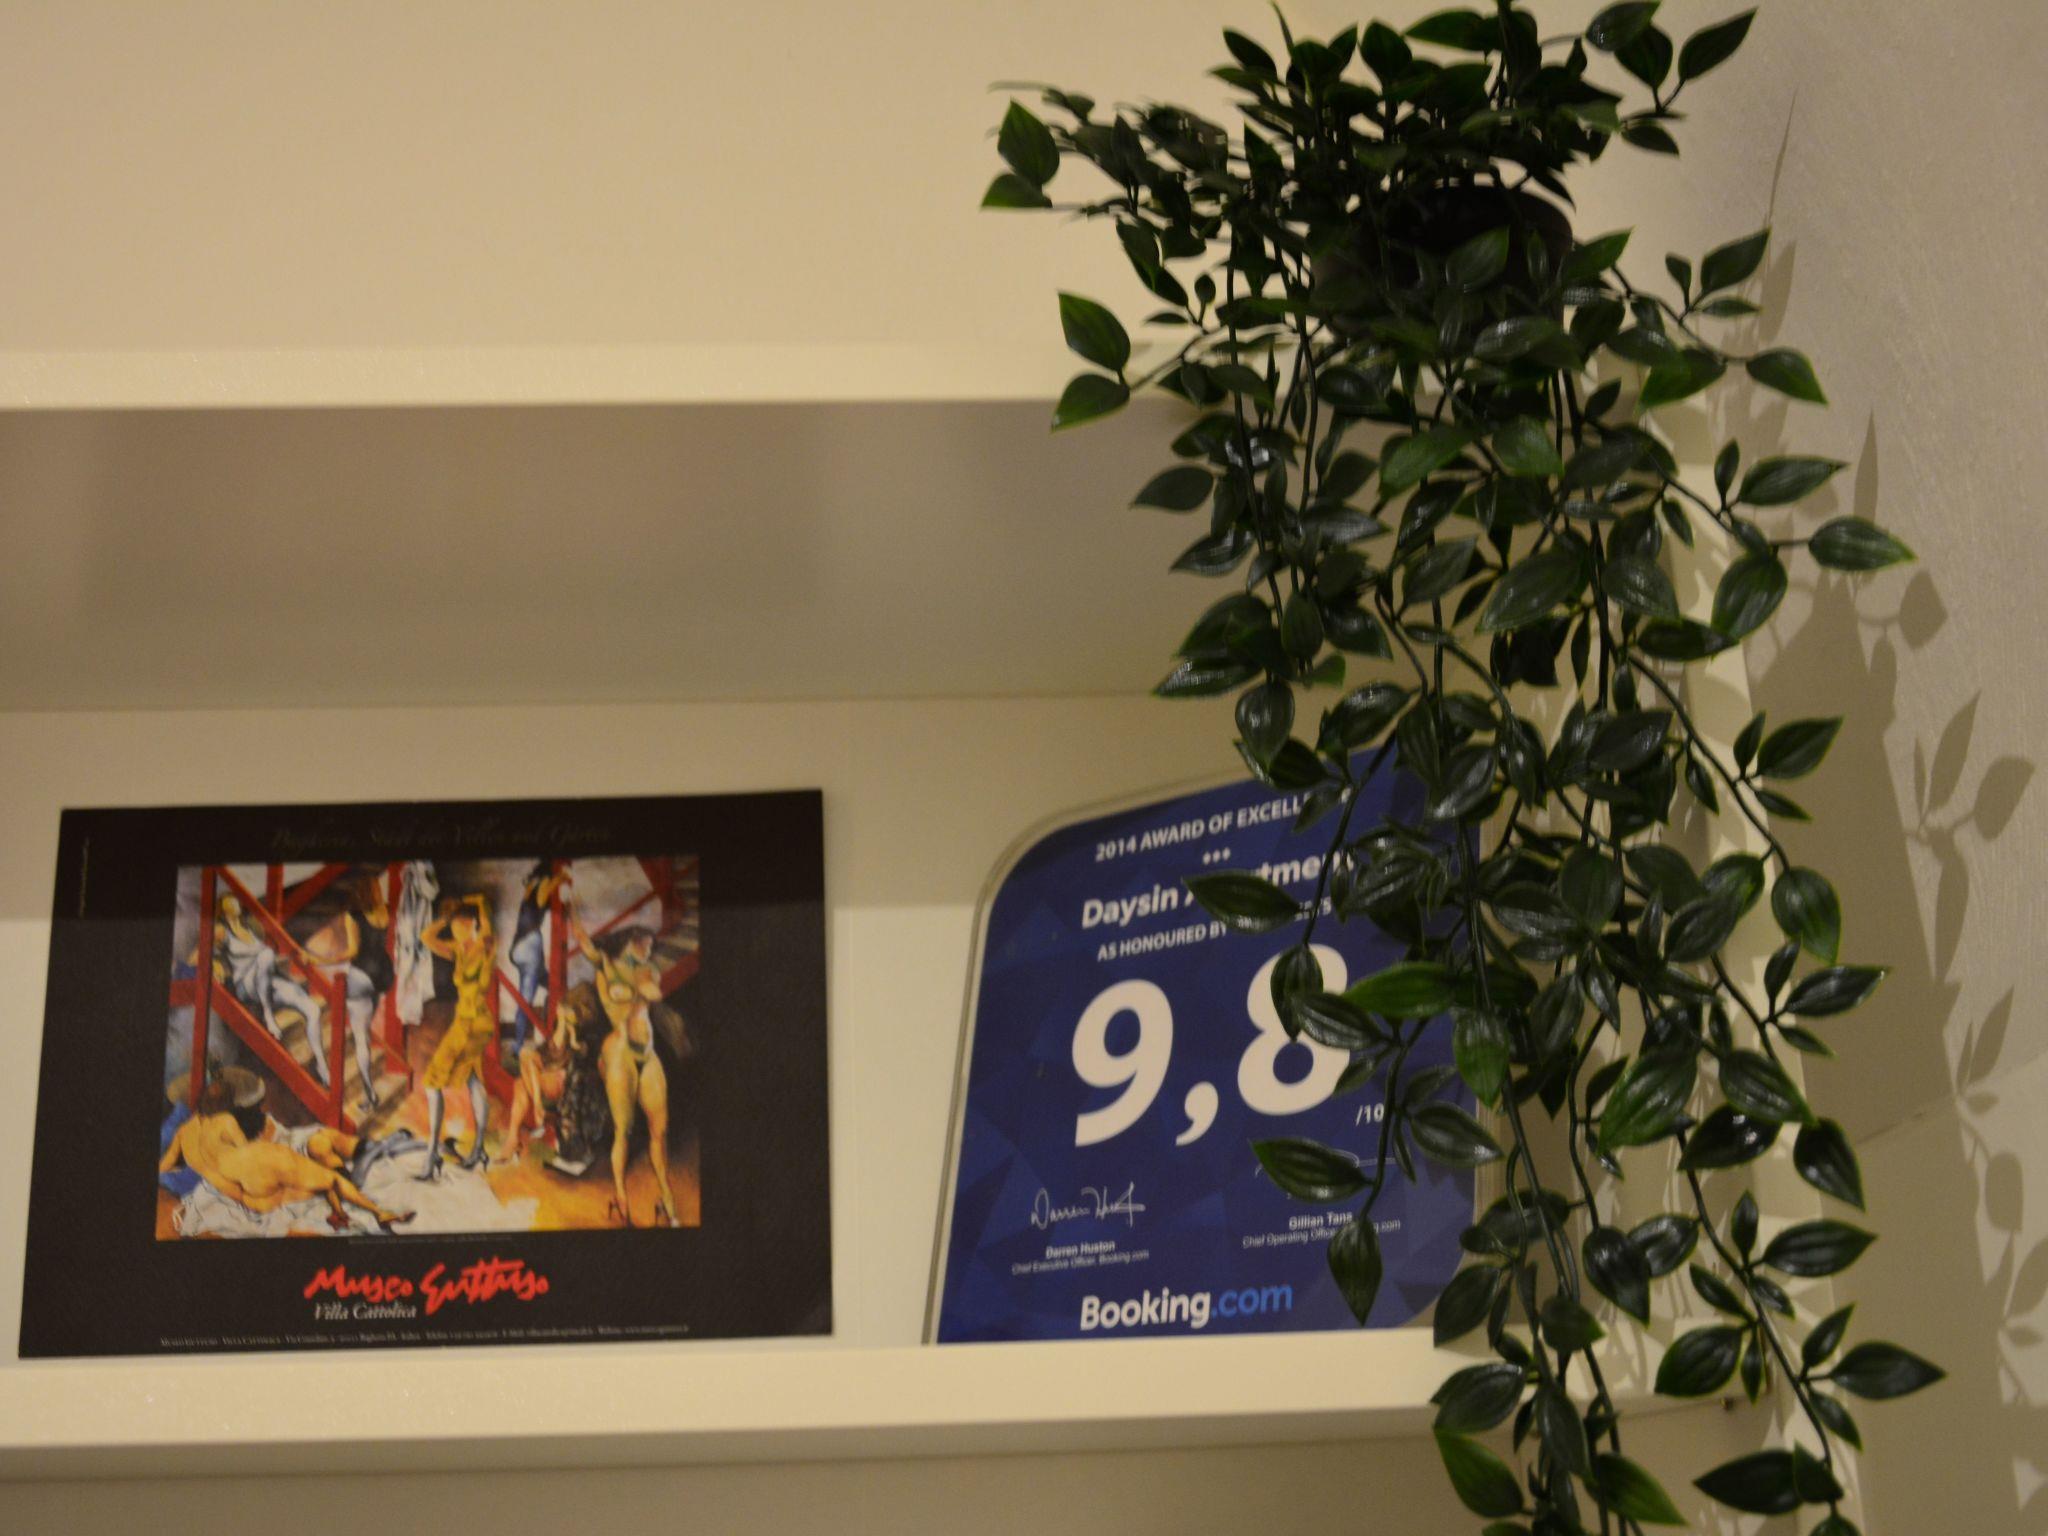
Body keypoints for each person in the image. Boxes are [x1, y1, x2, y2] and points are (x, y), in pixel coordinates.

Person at [159, 1069, 414, 1232]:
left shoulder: (184, 1134)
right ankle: (377, 1212)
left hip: (251, 1199)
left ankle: (344, 1209)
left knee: (318, 1169)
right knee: (328, 1172)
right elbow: (248, 1153)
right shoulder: (224, 1122)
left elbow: (165, 1165)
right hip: (258, 1167)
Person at [568, 908, 681, 1227]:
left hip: (647, 1054)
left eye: (650, 945)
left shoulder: (647, 969)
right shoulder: (606, 964)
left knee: (660, 1130)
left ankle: (666, 1198)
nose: (648, 949)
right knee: (624, 1131)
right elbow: (583, 940)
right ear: (629, 941)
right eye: (644, 943)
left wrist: (644, 989)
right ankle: (621, 1198)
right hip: (620, 1054)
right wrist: (572, 909)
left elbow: (652, 989)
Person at [415, 894, 498, 1180]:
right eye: (454, 927)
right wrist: (446, 919)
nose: (457, 931)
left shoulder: (486, 944)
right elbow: (426, 937)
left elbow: (485, 913)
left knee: (431, 1082)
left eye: (461, 924)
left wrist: (474, 901)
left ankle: (431, 1156)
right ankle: (479, 1149)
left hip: (470, 1024)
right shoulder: (459, 950)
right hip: (472, 1022)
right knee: (473, 1079)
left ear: (474, 923)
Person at [301, 872, 395, 1114]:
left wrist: (317, 959)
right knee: (363, 1033)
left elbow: (352, 952)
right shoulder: (384, 912)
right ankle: (366, 1090)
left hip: (362, 975)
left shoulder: (353, 915)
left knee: (360, 1036)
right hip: (383, 975)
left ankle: (369, 1093)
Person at [214, 891, 328, 1061]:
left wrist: (300, 953)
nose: (235, 905)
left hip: (265, 981)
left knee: (313, 1009)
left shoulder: (250, 927)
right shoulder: (221, 931)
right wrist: (215, 965)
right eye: (230, 903)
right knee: (266, 953)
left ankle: (321, 1062)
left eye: (235, 902)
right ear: (223, 910)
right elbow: (204, 953)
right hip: (245, 985)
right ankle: (268, 1014)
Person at [500, 983, 598, 1162]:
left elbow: (578, 1060)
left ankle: (514, 1137)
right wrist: (561, 1025)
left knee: (521, 1083)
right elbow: (545, 1053)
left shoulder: (582, 1034)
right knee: (525, 1056)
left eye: (565, 1010)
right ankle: (536, 1110)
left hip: (563, 1080)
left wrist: (571, 1035)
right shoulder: (559, 1026)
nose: (559, 1010)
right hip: (547, 1073)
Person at [507, 862, 568, 1060]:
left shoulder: (529, 890)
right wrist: (560, 878)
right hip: (529, 947)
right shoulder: (542, 885)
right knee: (526, 999)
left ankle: (547, 1030)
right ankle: (517, 1046)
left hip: (521, 948)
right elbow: (544, 894)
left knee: (555, 987)